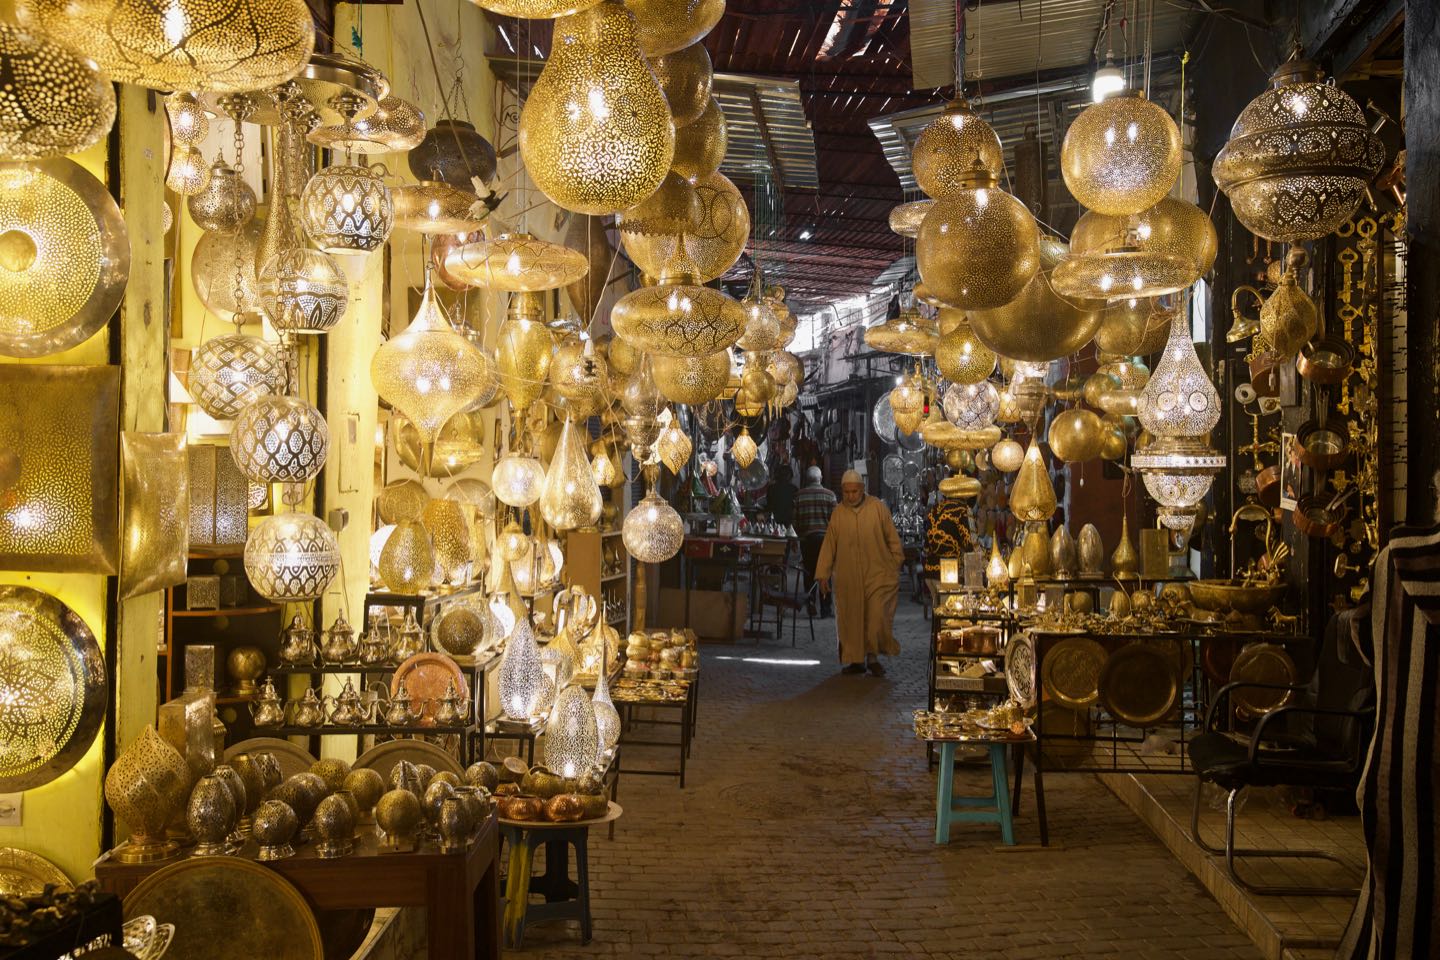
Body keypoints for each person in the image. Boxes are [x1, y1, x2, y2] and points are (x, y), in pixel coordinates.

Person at [815, 469, 904, 676]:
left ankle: (872, 658)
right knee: (851, 621)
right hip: (848, 578)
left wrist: (894, 564)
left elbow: (893, 540)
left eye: (854, 492)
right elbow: (829, 545)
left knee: (875, 619)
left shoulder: (878, 508)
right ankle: (856, 660)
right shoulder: (838, 513)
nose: (851, 496)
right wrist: (823, 574)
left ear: (862, 489)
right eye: (846, 492)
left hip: (877, 575)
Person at [793, 466, 836, 616]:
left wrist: (799, 536)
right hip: (825, 540)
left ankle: (810, 602)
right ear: (820, 478)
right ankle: (825, 609)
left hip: (807, 540)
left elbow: (795, 521)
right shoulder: (830, 496)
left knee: (809, 572)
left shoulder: (799, 496)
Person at [924, 493, 976, 578]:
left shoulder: (935, 508)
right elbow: (970, 544)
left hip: (930, 570)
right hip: (952, 571)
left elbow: (926, 548)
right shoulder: (963, 510)